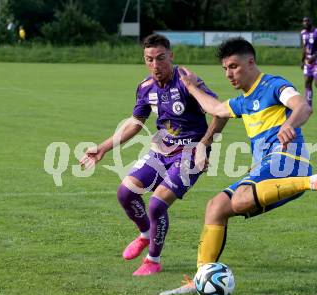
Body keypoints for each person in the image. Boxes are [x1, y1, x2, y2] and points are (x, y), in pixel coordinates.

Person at [159, 37, 317, 295]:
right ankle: (200, 278)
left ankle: (315, 180)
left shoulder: (274, 85)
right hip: (268, 171)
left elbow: (303, 106)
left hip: (289, 162)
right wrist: (191, 87)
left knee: (241, 198)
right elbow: (217, 109)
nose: (229, 74)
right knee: (216, 207)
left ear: (251, 62)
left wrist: (290, 125)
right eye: (225, 69)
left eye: (233, 66)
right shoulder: (243, 100)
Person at [80, 34, 227, 276]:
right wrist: (103, 147)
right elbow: (135, 123)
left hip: (190, 153)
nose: (155, 65)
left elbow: (219, 112)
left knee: (157, 204)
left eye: (160, 58)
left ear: (171, 56)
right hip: (161, 150)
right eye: (149, 59)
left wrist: (204, 144)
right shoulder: (146, 87)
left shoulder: (187, 81)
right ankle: (146, 234)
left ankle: (153, 260)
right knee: (125, 193)